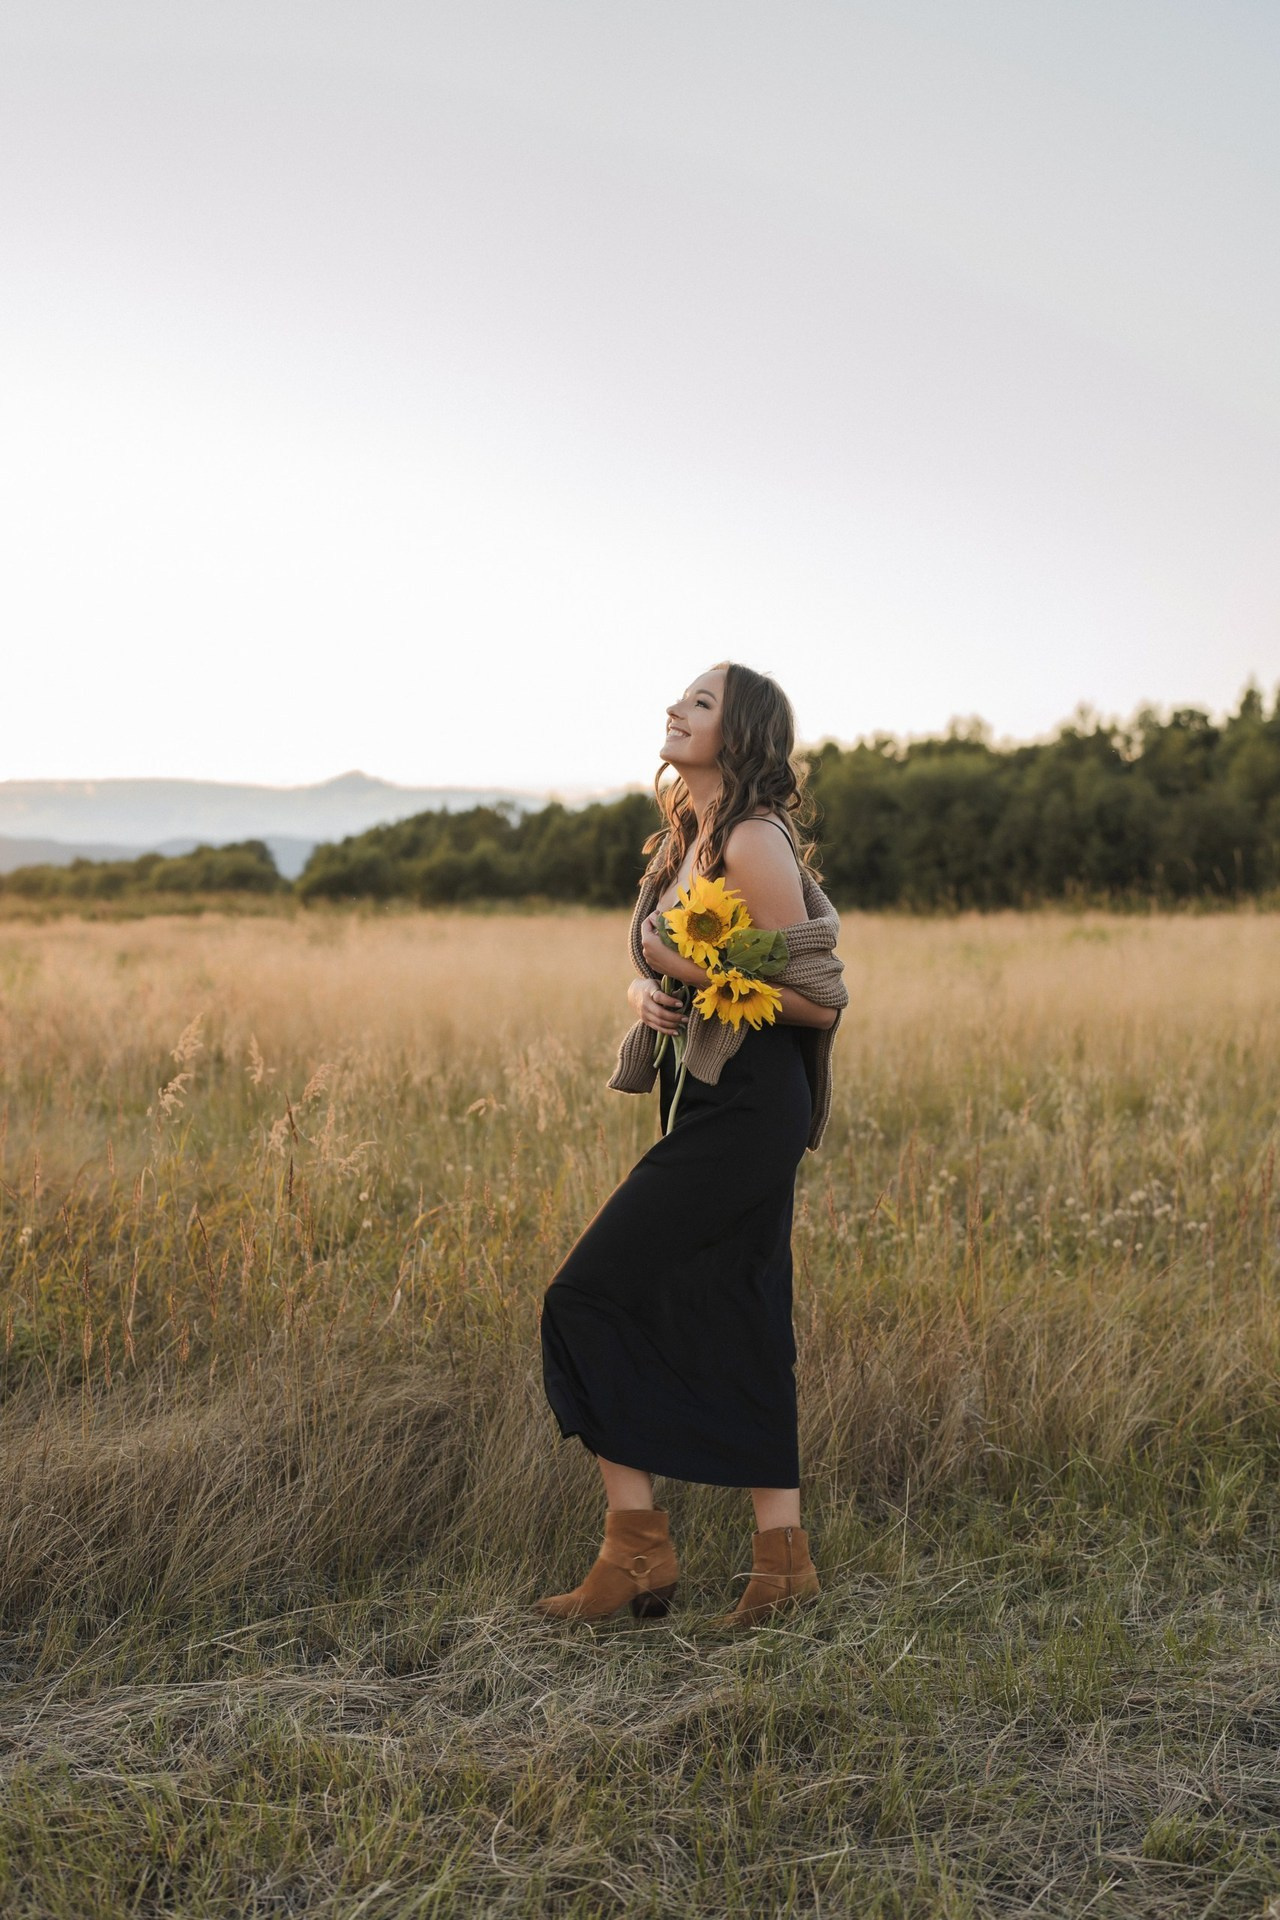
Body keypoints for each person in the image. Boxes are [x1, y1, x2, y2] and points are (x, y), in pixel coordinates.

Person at [535, 661, 848, 1628]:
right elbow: (653, 964)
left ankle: (637, 1549)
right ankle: (778, 1566)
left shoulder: (754, 841)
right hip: (707, 1095)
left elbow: (820, 998)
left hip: (754, 1103)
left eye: (700, 703)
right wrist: (646, 988)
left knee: (584, 1296)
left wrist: (689, 969)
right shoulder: (690, 836)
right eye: (683, 698)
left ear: (740, 733)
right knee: (746, 1310)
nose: (676, 709)